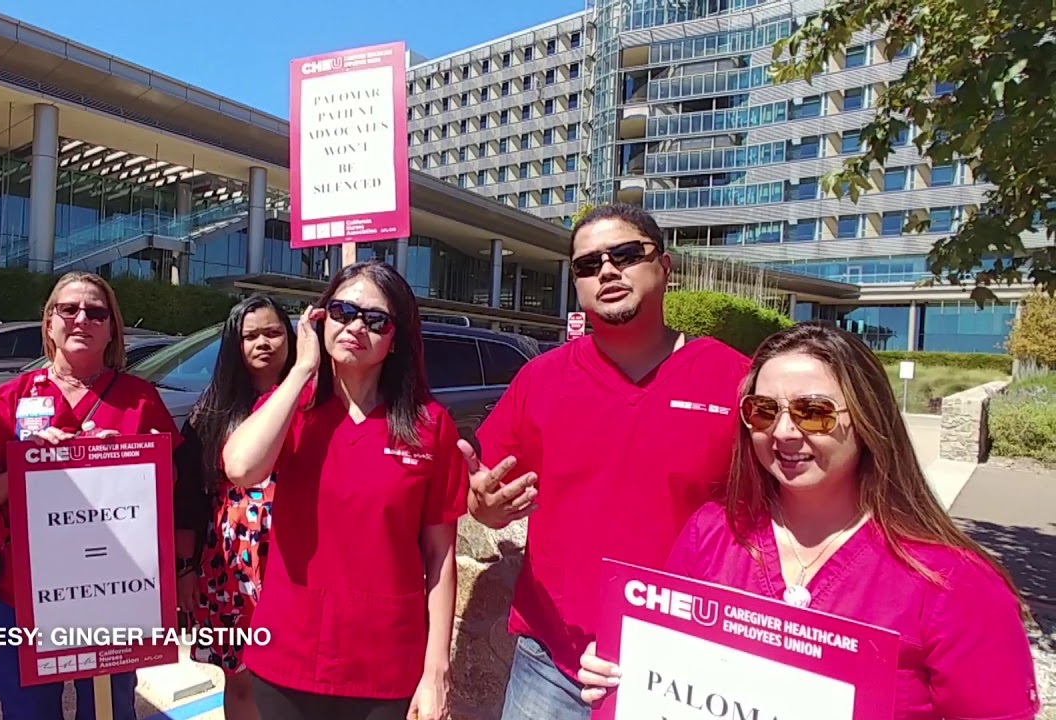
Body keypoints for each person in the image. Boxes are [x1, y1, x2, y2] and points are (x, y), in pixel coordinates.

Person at [575, 322, 1042, 720]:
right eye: (762, 411)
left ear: (868, 418)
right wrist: (619, 670)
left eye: (813, 412)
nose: (783, 432)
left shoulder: (952, 581)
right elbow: (667, 670)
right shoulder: (712, 533)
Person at [460, 203, 753, 719]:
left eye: (626, 254)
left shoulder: (734, 380)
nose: (608, 271)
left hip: (679, 672)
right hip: (551, 664)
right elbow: (486, 495)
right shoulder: (540, 380)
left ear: (664, 266)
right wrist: (483, 505)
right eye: (588, 264)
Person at [221, 259, 466, 720]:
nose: (355, 326)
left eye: (375, 319)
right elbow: (240, 467)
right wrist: (302, 368)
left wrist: (436, 671)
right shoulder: (293, 408)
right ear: (320, 318)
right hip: (289, 652)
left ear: (396, 338)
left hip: (386, 661)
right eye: (342, 311)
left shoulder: (429, 427)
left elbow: (440, 555)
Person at [0, 271, 183, 720]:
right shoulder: (11, 398)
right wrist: (29, 468)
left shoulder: (139, 399)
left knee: (109, 712)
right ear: (49, 322)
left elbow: (169, 485)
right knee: (28, 713)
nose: (81, 319)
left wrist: (125, 462)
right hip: (19, 596)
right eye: (69, 309)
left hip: (113, 594)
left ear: (112, 329)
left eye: (96, 312)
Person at [173, 295, 296, 720]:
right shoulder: (211, 411)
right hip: (228, 566)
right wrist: (185, 569)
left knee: (292, 680)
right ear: (234, 343)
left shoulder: (313, 403)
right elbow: (187, 498)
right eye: (251, 335)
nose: (263, 343)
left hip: (295, 559)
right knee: (241, 677)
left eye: (273, 332)